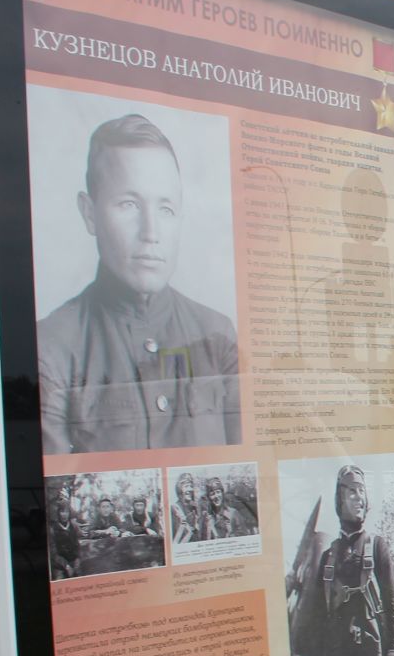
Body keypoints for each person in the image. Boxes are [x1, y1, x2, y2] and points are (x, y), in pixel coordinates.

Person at [35, 114, 241, 455]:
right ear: (89, 213)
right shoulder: (53, 348)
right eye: (129, 204)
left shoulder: (217, 336)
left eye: (166, 208)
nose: (151, 233)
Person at [290, 464, 394, 656]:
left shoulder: (377, 547)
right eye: (352, 491)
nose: (359, 498)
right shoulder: (328, 557)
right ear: (339, 500)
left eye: (362, 491)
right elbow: (318, 619)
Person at [170, 472, 201, 543]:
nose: (190, 489)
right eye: (186, 486)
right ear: (180, 489)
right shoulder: (174, 510)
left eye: (191, 486)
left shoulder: (194, 509)